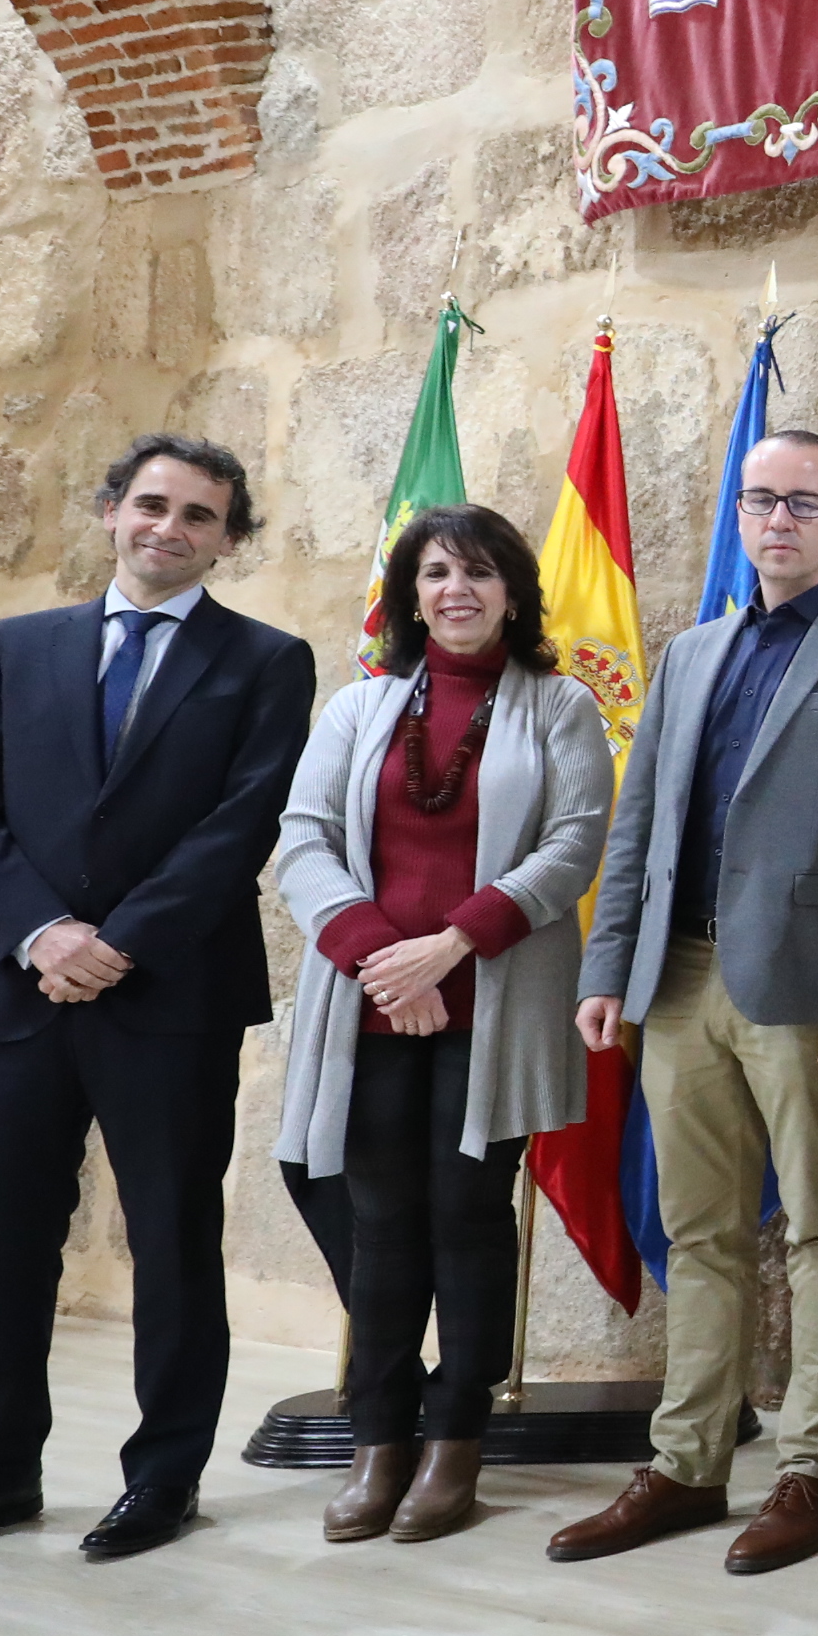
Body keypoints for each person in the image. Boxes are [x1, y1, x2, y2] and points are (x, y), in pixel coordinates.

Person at [0, 435, 314, 1567]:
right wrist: (41, 933)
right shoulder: (13, 649)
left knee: (174, 1243)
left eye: (200, 517)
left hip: (166, 996)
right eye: (152, 505)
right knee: (5, 1247)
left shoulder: (267, 662)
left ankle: (162, 1480)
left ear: (230, 538)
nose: (171, 528)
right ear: (110, 511)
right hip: (11, 992)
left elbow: (242, 824)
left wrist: (116, 944)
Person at [552, 428, 818, 1577]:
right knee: (699, 1231)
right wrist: (607, 966)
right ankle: (686, 1464)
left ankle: (812, 1472)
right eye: (760, 500)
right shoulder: (690, 652)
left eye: (803, 502)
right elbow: (639, 828)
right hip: (676, 980)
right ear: (740, 515)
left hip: (807, 990)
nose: (778, 520)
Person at [270, 503, 615, 1547]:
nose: (454, 591)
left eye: (476, 573)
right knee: (376, 1220)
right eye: (433, 574)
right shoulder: (358, 709)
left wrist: (451, 946)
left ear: (513, 590)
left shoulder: (558, 706)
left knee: (467, 1219)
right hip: (371, 1002)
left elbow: (573, 844)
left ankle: (456, 1443)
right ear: (411, 596)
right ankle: (381, 1437)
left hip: (492, 1003)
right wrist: (387, 960)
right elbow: (304, 839)